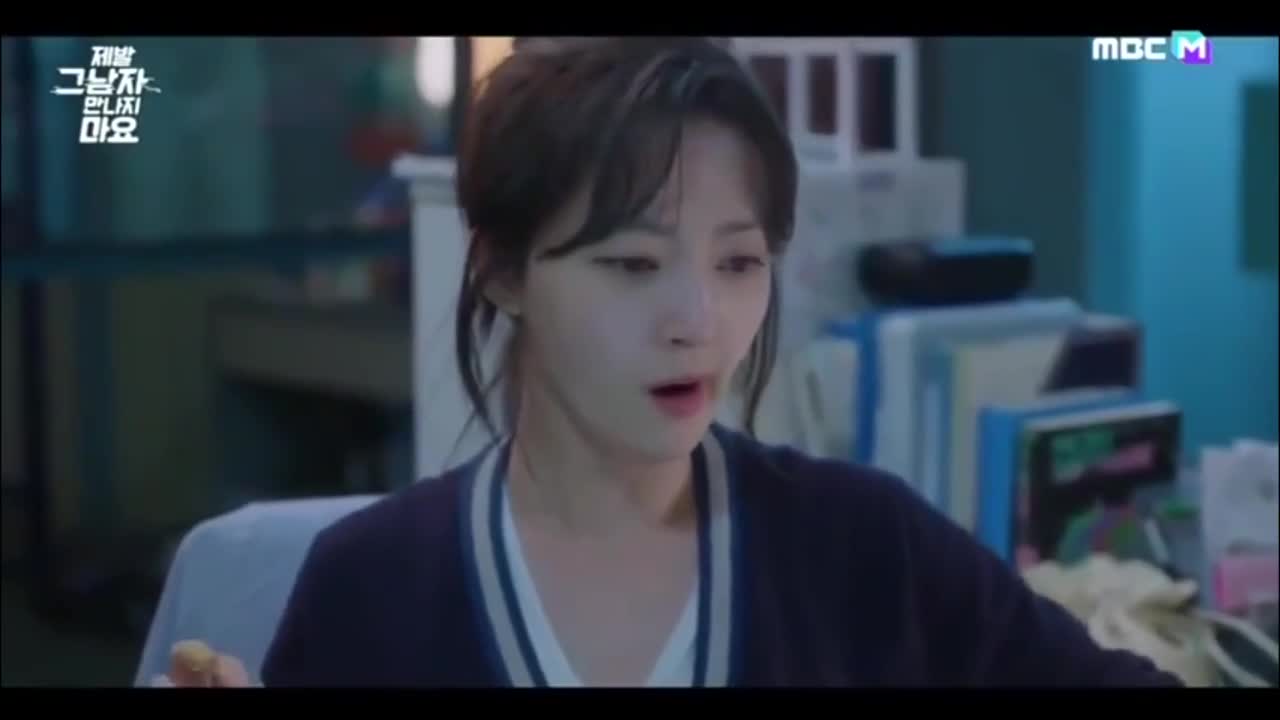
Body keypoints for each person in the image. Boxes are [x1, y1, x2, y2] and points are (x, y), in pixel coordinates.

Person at [164, 37, 1182, 688]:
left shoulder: (866, 550)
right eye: (632, 265)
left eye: (738, 263)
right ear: (504, 272)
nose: (698, 321)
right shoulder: (373, 587)